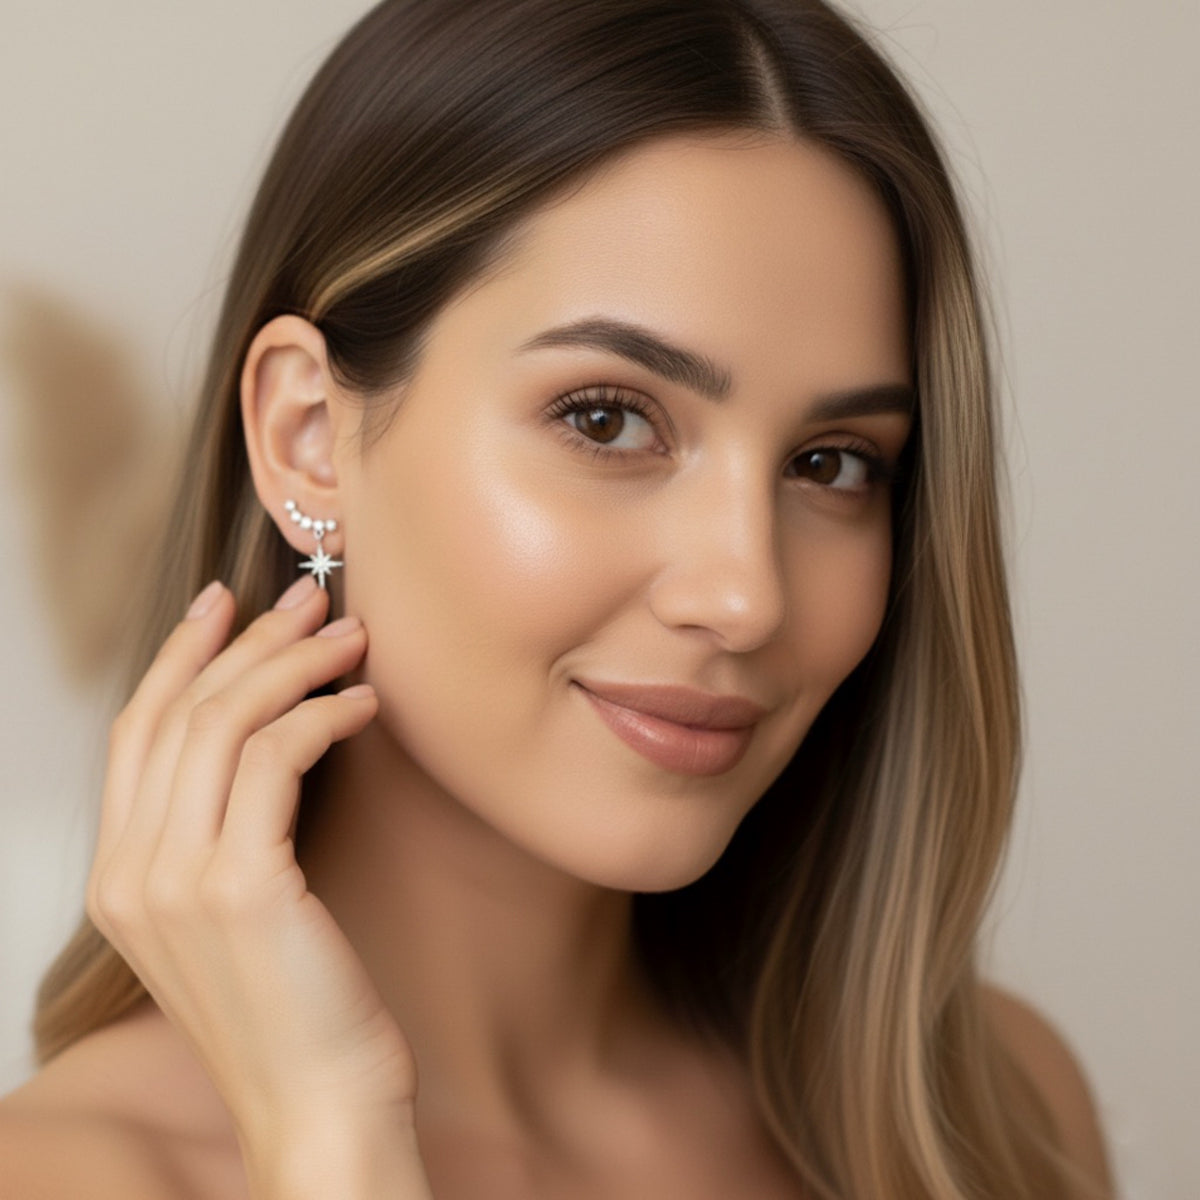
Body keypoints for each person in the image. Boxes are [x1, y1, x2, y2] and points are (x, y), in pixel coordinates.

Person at [0, 1, 1116, 1196]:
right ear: (310, 436)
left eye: (832, 461)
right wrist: (332, 1136)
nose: (745, 597)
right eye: (608, 419)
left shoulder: (991, 1118)